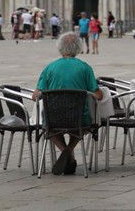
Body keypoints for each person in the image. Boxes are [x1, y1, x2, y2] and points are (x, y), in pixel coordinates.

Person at [32, 32, 103, 175]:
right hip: (78, 117)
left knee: (50, 129)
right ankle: (69, 151)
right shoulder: (85, 68)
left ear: (60, 48)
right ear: (78, 48)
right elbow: (98, 95)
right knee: (84, 127)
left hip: (53, 117)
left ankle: (65, 152)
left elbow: (35, 96)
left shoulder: (49, 67)